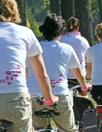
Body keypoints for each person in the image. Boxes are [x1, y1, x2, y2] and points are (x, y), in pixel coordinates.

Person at [0, 0, 57, 132]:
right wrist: (49, 99)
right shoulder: (25, 33)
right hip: (15, 98)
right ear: (13, 10)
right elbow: (41, 74)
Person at [27, 13, 89, 132]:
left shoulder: (33, 48)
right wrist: (84, 86)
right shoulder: (66, 49)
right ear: (61, 31)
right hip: (59, 95)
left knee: (38, 128)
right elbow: (78, 73)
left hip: (34, 96)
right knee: (69, 130)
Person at [60, 17, 90, 87]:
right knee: (82, 95)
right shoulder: (83, 40)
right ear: (78, 27)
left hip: (64, 74)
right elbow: (88, 57)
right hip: (80, 74)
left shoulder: (61, 39)